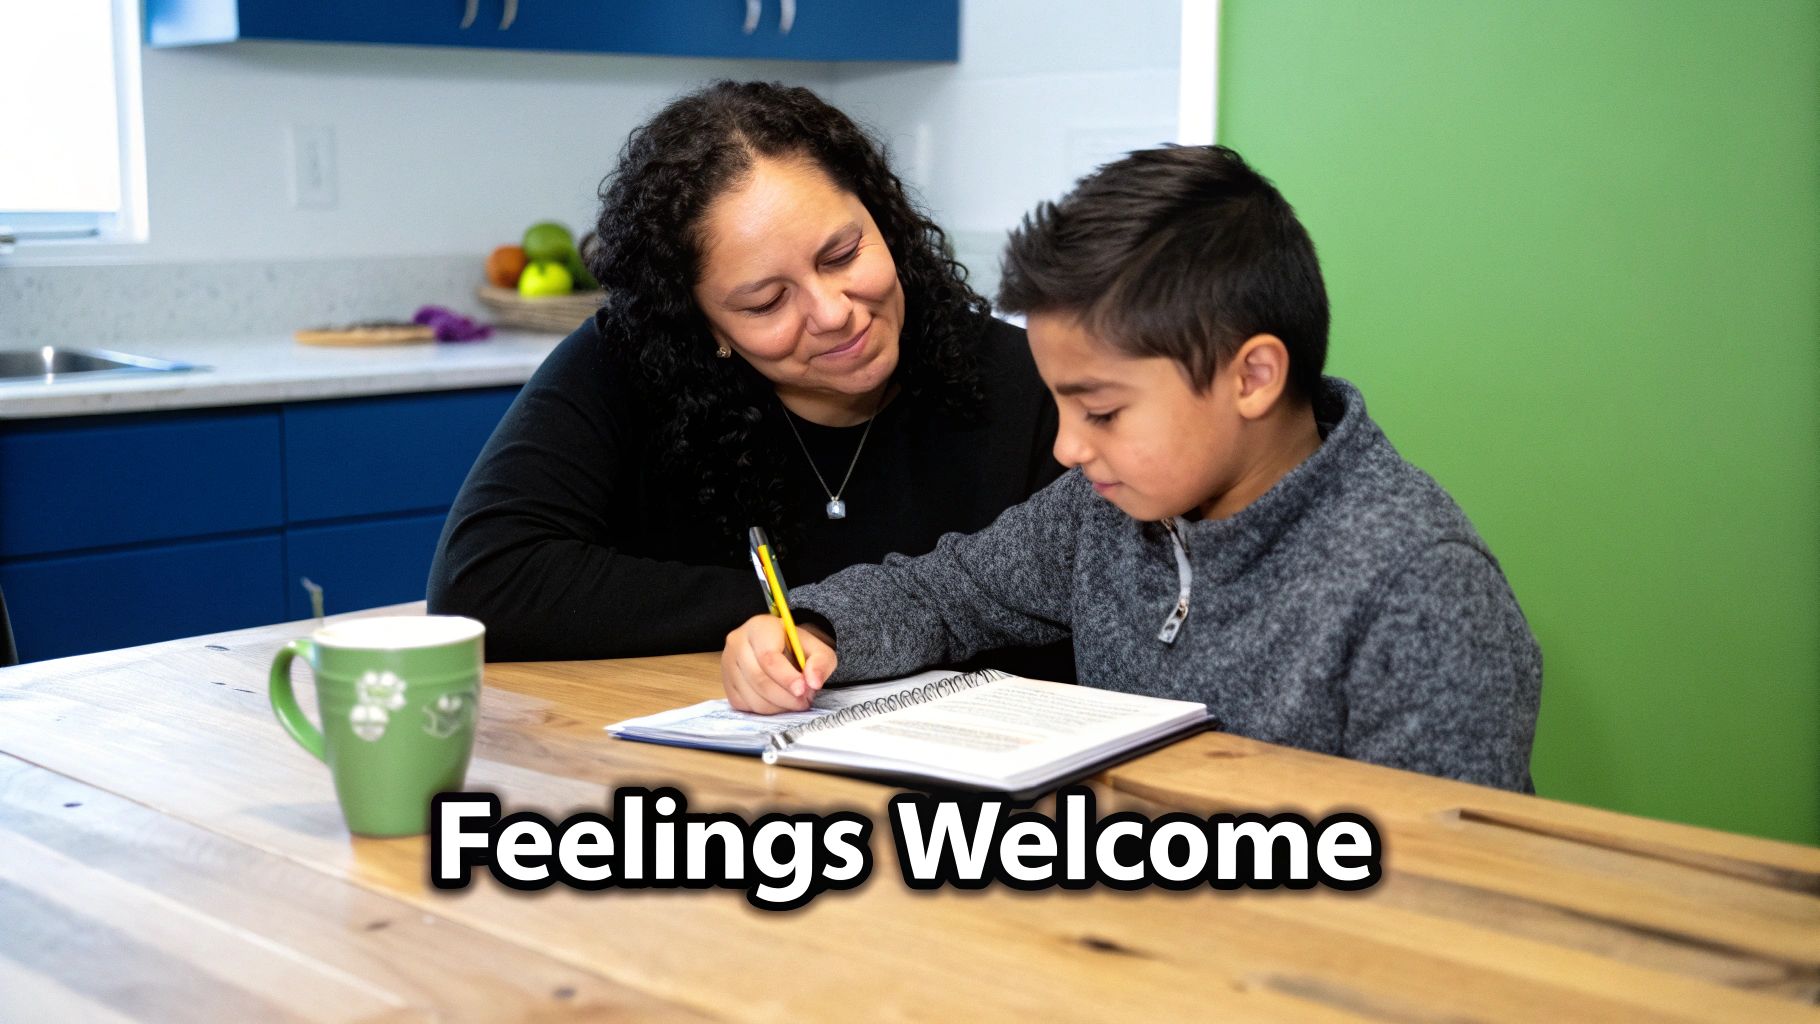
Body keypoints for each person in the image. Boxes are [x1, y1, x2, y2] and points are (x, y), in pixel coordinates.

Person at [719, 145, 1542, 791]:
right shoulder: (1101, 509)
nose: (1068, 449)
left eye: (1102, 412)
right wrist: (815, 633)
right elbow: (945, 592)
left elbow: (1440, 882)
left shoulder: (1419, 588)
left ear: (1251, 377)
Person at [426, 81, 1064, 663]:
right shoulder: (631, 361)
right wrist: (793, 618)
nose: (833, 313)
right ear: (704, 326)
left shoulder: (1032, 384)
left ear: (883, 219)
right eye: (766, 302)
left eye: (843, 254)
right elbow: (481, 581)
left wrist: (835, 618)